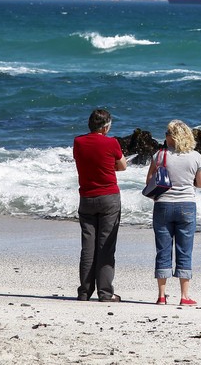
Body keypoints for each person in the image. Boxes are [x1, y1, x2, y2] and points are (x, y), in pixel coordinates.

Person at [147, 119, 201, 306]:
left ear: (172, 137)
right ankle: (184, 296)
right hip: (186, 206)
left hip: (163, 205)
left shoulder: (160, 155)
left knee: (163, 250)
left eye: (167, 132)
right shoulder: (195, 156)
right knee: (184, 250)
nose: (164, 135)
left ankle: (162, 296)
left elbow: (149, 181)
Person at [73, 108, 127, 302]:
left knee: (87, 247)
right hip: (108, 197)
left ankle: (84, 291)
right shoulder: (111, 142)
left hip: (86, 197)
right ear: (105, 127)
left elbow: (83, 161)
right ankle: (105, 292)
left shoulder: (78, 142)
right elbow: (122, 166)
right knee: (106, 246)